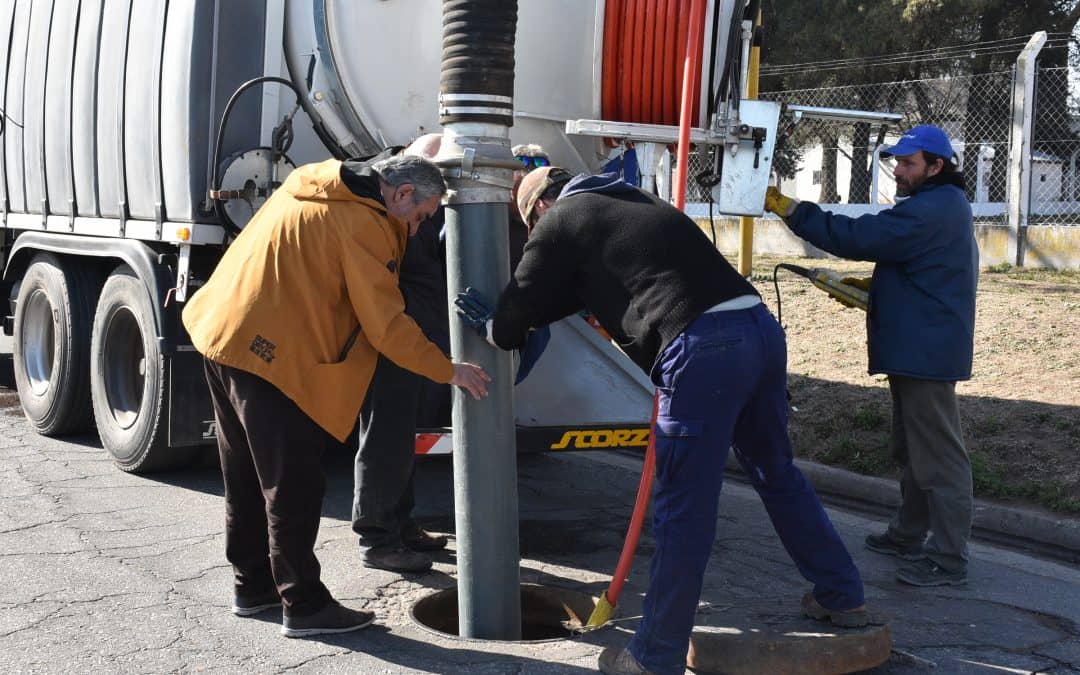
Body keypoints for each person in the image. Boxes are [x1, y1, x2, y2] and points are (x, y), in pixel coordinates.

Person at [457, 167, 866, 675]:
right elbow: (573, 296)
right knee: (776, 472)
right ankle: (843, 595)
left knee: (682, 509)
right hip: (759, 331)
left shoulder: (560, 217)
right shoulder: (633, 204)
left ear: (539, 208)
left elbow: (518, 309)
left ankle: (654, 656)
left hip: (704, 351)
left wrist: (495, 327)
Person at [182, 153, 490, 638]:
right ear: (402, 193)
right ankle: (303, 606)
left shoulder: (314, 184)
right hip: (274, 357)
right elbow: (386, 324)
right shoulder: (362, 223)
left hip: (224, 335)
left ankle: (253, 587)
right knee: (294, 485)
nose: (415, 231)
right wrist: (448, 370)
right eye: (421, 217)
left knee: (244, 475)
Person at [764, 124, 977, 588]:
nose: (898, 171)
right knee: (913, 449)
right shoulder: (936, 205)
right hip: (919, 346)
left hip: (925, 351)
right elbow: (910, 263)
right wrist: (878, 291)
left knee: (938, 455)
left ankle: (948, 558)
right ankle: (908, 533)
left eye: (908, 163)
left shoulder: (931, 209)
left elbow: (859, 237)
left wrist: (793, 211)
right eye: (897, 162)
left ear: (936, 167)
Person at [352, 137, 550, 574]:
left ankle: (399, 528)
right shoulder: (395, 217)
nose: (425, 216)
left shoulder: (419, 214)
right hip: (397, 342)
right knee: (385, 437)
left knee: (400, 436)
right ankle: (378, 538)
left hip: (416, 341)